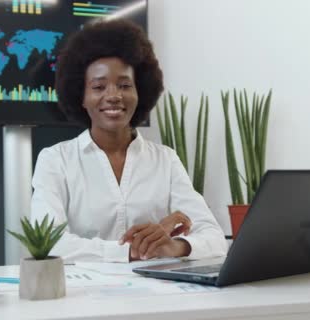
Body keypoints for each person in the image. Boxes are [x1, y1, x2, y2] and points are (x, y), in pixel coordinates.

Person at [30, 19, 228, 263]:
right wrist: (133, 250)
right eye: (99, 87)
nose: (113, 96)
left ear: (140, 92)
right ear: (80, 96)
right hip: (84, 297)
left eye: (124, 85)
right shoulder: (55, 160)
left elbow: (215, 238)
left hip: (157, 297)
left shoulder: (165, 159)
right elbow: (49, 242)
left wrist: (172, 246)